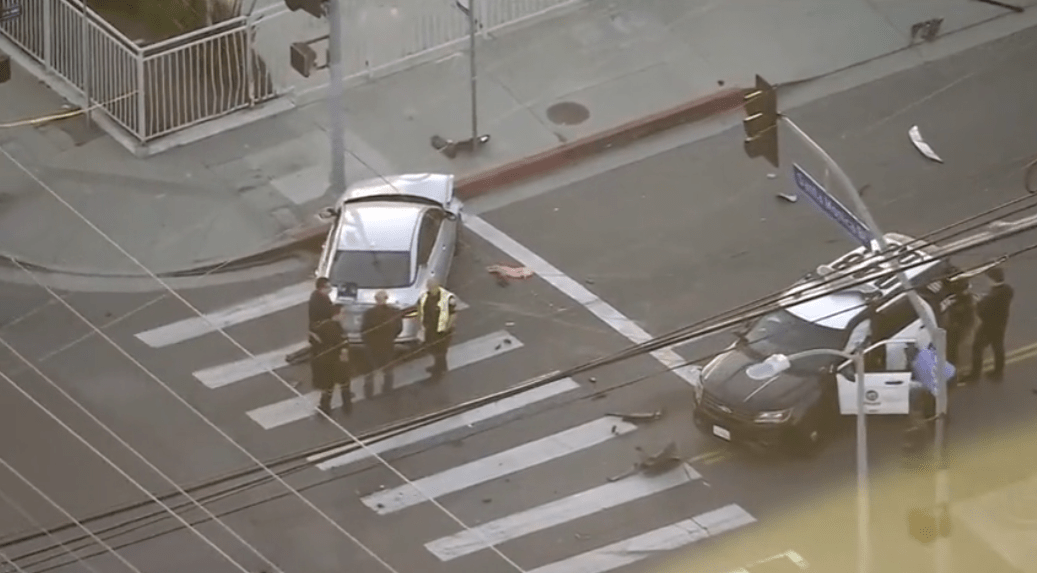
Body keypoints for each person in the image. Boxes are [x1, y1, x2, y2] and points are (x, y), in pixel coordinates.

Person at [963, 267, 1014, 383]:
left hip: (989, 326)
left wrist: (978, 303)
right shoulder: (1007, 290)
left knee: (977, 347)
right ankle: (998, 370)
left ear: (991, 279)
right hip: (1002, 323)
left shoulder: (990, 299)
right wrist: (984, 299)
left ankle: (975, 374)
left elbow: (982, 313)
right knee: (998, 346)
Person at [311, 304, 352, 416]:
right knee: (344, 384)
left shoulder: (324, 326)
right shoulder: (335, 328)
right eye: (342, 313)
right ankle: (347, 406)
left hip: (326, 362)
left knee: (328, 387)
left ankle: (325, 408)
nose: (344, 316)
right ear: (336, 314)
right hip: (335, 361)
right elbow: (342, 345)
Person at [361, 290, 403, 394]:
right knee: (388, 369)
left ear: (375, 299)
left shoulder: (368, 313)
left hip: (372, 345)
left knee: (369, 369)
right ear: (387, 298)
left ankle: (369, 392)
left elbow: (363, 330)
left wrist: (367, 341)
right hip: (387, 344)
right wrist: (391, 337)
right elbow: (399, 328)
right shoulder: (394, 312)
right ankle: (387, 390)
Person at [286, 277, 335, 365]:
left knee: (314, 348)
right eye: (328, 288)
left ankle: (292, 356)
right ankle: (296, 360)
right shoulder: (318, 301)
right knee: (318, 351)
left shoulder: (319, 296)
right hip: (318, 330)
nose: (330, 289)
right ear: (322, 288)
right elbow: (327, 312)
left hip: (317, 328)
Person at [417, 278, 457, 380]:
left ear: (438, 286)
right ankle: (439, 366)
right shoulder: (425, 296)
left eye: (433, 287)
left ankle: (439, 370)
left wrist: (447, 328)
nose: (431, 289)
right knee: (434, 349)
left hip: (442, 329)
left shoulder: (448, 297)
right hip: (430, 328)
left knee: (441, 350)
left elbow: (453, 315)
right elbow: (420, 309)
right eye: (429, 287)